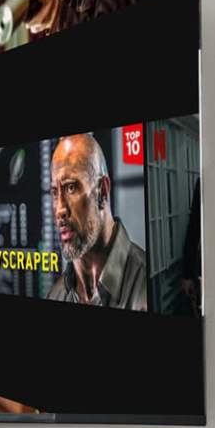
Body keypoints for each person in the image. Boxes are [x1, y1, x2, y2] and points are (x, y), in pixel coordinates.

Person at [48, 132, 148, 309]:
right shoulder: (56, 294)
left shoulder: (146, 288)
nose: (60, 209)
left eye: (71, 187)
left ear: (102, 191)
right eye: (55, 192)